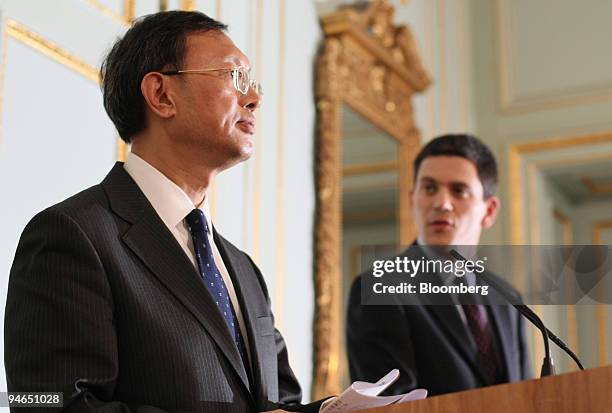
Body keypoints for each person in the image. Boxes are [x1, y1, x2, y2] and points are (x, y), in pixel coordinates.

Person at [5, 11, 324, 413]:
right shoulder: (70, 235)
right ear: (161, 95)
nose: (254, 98)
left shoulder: (243, 269)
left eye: (253, 83)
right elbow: (46, 406)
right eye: (233, 77)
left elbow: (280, 402)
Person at [346, 134, 532, 396]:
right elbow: (392, 404)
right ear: (412, 199)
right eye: (429, 188)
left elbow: (527, 397)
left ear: (489, 211)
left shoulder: (509, 298)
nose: (441, 203)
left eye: (459, 190)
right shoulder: (378, 288)